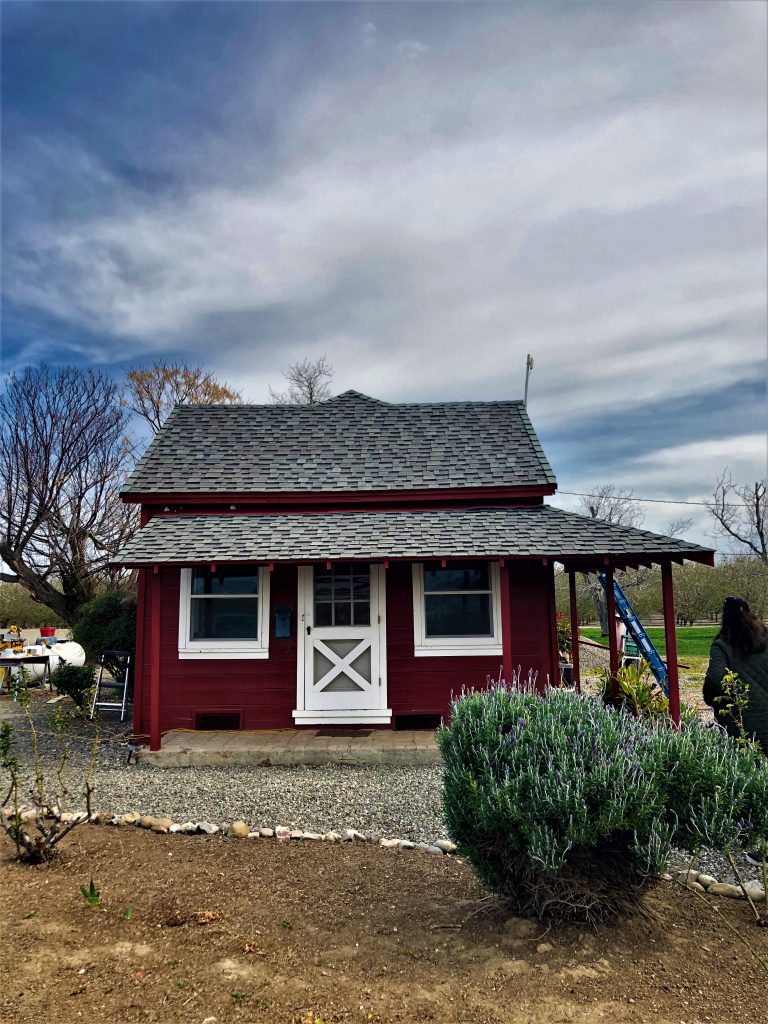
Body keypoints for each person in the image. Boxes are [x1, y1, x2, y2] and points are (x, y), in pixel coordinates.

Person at [703, 595, 768, 866]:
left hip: (742, 724)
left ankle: (757, 843)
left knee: (752, 779)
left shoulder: (723, 645)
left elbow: (716, 682)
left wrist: (718, 700)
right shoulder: (767, 639)